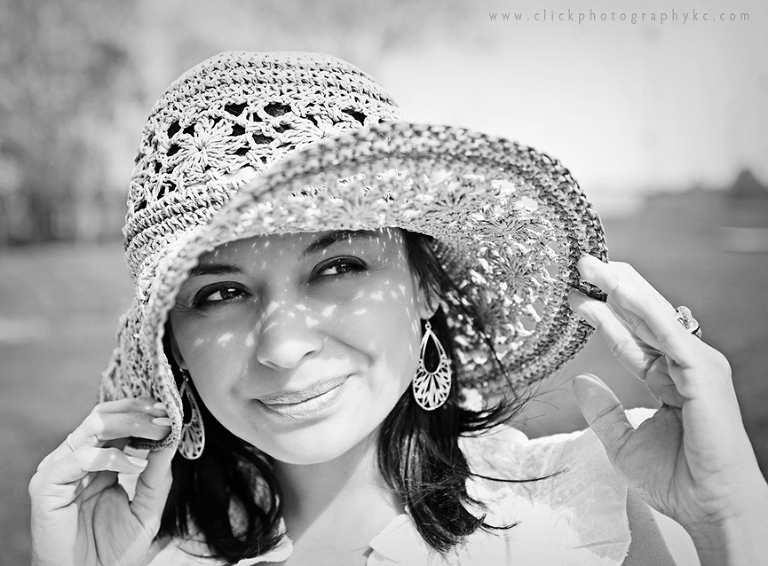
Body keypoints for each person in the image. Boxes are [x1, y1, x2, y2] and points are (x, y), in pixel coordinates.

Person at [29, 52, 768, 566]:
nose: (282, 346)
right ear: (173, 346)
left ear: (425, 287)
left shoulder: (581, 512)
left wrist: (727, 520)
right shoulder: (138, 550)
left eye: (337, 267)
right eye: (219, 293)